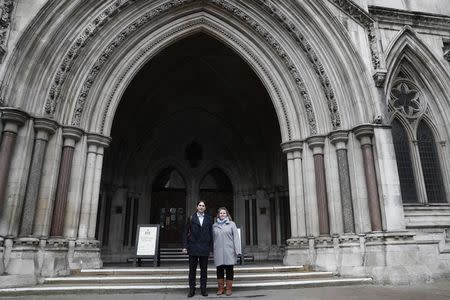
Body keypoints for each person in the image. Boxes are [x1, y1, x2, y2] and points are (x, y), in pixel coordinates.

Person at [182, 200, 213, 297]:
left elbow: (211, 233)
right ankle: (192, 289)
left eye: (203, 205)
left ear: (205, 208)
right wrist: (184, 246)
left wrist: (211, 248)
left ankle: (203, 289)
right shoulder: (191, 218)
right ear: (196, 207)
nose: (201, 207)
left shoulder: (209, 218)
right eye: (200, 205)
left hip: (204, 247)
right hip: (193, 247)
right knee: (192, 270)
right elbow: (185, 233)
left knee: (204, 270)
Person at [213, 207, 241, 296]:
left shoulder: (232, 224)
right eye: (220, 213)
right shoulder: (214, 225)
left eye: (224, 213)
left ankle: (228, 289)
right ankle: (220, 288)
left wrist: (238, 250)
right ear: (218, 214)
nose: (222, 215)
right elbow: (213, 239)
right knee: (219, 270)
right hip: (218, 251)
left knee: (229, 270)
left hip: (229, 251)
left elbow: (236, 238)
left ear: (227, 214)